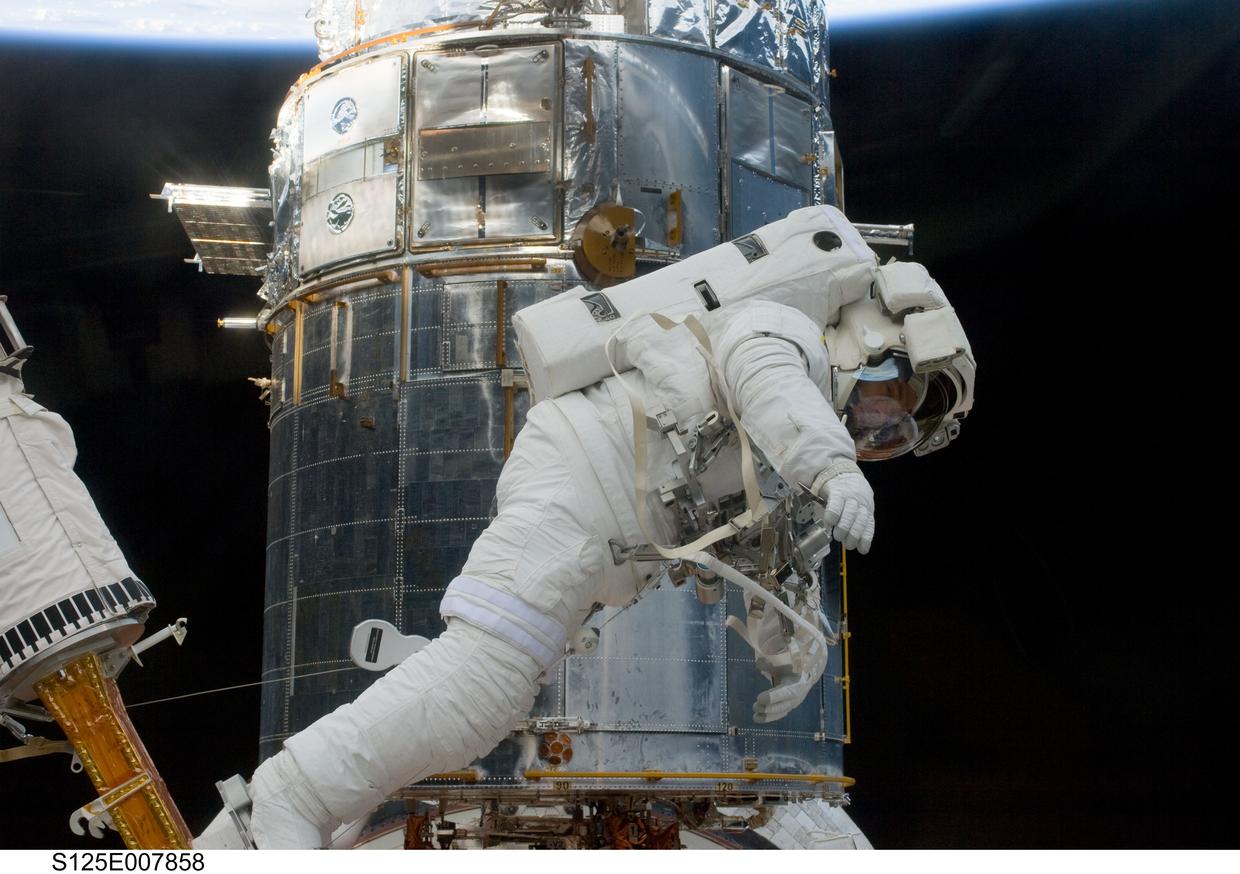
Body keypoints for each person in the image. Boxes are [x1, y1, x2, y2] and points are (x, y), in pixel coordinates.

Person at [199, 207, 974, 849]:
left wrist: (792, 654)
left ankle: (326, 803)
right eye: (886, 402)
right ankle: (294, 793)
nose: (877, 431)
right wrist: (835, 466)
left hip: (599, 528)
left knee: (487, 694)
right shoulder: (783, 337)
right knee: (483, 683)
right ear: (872, 336)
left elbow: (775, 557)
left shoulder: (788, 441)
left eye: (894, 436)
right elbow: (763, 378)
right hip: (575, 483)